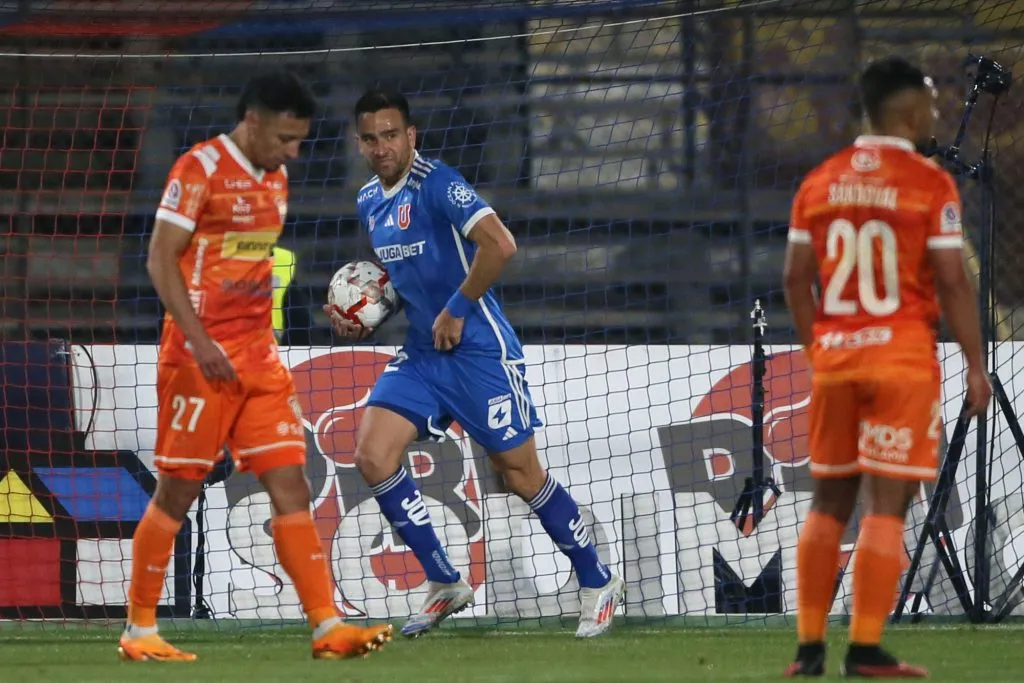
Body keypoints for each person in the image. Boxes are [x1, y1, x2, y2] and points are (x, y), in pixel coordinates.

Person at [324, 89, 625, 639]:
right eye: (371, 137)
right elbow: (407, 280)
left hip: (479, 350)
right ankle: (444, 582)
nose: (382, 146)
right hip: (422, 352)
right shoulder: (370, 198)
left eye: (392, 134)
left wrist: (458, 309)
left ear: (410, 136)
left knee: (517, 475)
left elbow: (500, 244)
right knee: (371, 454)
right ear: (359, 143)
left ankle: (597, 578)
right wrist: (364, 315)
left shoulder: (438, 183)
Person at [119, 72, 393, 662]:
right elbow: (160, 259)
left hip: (258, 358)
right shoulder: (198, 170)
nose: (292, 152)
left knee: (290, 480)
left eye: (299, 141)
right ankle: (140, 629)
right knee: (179, 490)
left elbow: (252, 261)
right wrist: (199, 340)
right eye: (286, 139)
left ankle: (327, 626)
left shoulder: (276, 179)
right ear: (254, 121)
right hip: (199, 358)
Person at [782, 56, 991, 678]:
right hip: (900, 360)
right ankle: (867, 649)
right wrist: (976, 364)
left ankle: (809, 649)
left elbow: (795, 280)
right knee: (886, 505)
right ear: (906, 111)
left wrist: (818, 350)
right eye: (930, 102)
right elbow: (952, 282)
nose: (938, 112)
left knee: (827, 502)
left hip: (838, 362)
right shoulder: (928, 183)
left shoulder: (818, 181)